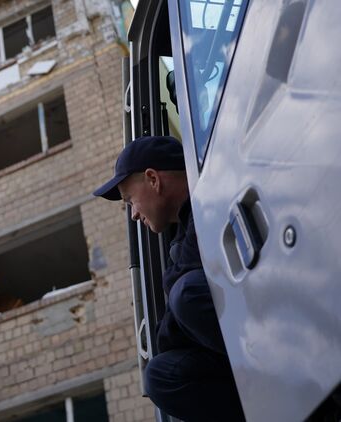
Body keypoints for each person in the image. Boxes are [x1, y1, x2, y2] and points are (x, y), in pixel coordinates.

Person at [93, 136, 245, 421]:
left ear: (153, 179)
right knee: (160, 376)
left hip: (273, 328)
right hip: (241, 351)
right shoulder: (182, 236)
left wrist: (173, 314)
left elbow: (183, 301)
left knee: (185, 294)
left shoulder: (210, 199)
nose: (134, 214)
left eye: (130, 201)